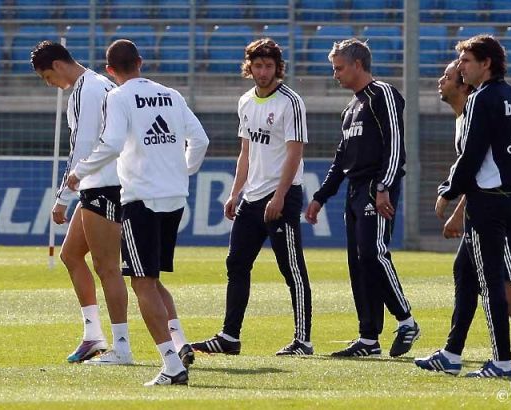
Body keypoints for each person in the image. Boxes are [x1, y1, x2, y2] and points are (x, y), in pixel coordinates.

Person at [67, 39, 209, 385]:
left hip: (141, 199)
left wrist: (80, 171)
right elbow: (200, 140)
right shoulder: (172, 94)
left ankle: (171, 365)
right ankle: (176, 348)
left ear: (110, 70)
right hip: (175, 198)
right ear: (140, 62)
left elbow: (113, 143)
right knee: (151, 279)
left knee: (142, 283)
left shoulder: (118, 97)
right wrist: (183, 171)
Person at [414, 60, 511, 376]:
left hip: (496, 208)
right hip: (493, 203)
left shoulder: (478, 110)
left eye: (448, 76)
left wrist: (454, 206)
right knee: (468, 272)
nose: (440, 81)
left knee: (494, 280)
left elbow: (480, 167)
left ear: (464, 84)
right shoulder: (466, 115)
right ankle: (454, 353)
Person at [190, 38, 313, 356]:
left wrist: (280, 195)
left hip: (281, 196)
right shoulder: (245, 101)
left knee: (291, 268)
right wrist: (235, 193)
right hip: (252, 197)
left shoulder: (290, 102)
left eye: (269, 66)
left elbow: (295, 152)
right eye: (258, 65)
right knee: (236, 263)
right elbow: (245, 152)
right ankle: (229, 337)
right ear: (249, 67)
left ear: (278, 68)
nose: (263, 72)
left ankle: (303, 340)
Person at [305, 38, 418, 358]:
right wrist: (321, 197)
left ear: (358, 64)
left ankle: (407, 321)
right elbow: (341, 158)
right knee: (358, 263)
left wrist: (384, 186)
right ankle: (368, 338)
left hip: (374, 186)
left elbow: (395, 145)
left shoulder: (383, 94)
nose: (335, 74)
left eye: (339, 68)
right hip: (355, 189)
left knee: (373, 253)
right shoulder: (351, 107)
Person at [31, 41, 133, 365]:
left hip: (105, 184)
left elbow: (81, 147)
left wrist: (62, 198)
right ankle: (93, 336)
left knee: (107, 267)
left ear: (58, 65)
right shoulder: (98, 84)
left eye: (47, 77)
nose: (50, 84)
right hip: (102, 183)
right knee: (71, 255)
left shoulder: (85, 91)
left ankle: (122, 347)